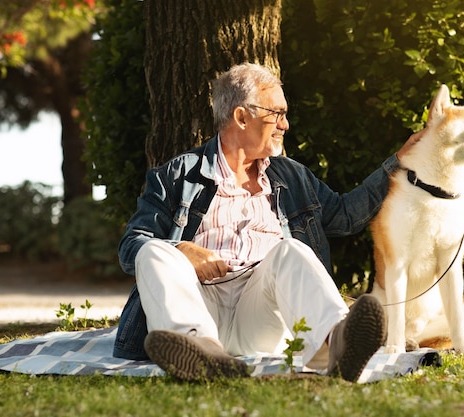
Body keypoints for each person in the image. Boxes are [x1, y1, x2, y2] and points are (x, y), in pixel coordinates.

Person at [113, 62, 419, 382]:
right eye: (278, 113)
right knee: (152, 251)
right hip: (195, 306)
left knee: (291, 250)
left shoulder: (291, 176)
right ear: (242, 117)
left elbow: (343, 215)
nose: (285, 124)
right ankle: (201, 354)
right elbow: (131, 245)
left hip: (259, 314)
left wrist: (397, 163)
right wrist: (182, 250)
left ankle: (339, 346)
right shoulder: (178, 175)